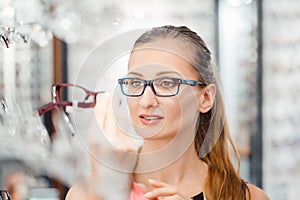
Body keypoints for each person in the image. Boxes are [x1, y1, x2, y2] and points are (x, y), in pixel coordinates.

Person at [66, 25, 269, 200]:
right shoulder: (87, 195)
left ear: (205, 98)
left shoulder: (249, 197)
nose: (146, 101)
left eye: (167, 83)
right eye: (135, 83)